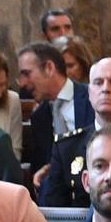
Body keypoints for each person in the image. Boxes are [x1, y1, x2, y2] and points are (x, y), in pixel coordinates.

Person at [38, 57, 111, 209]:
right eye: (98, 83)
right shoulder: (67, 147)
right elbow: (54, 210)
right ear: (89, 92)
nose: (105, 89)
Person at [19, 40, 95, 168]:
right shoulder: (39, 117)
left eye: (27, 74)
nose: (22, 83)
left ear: (49, 68)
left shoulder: (93, 98)